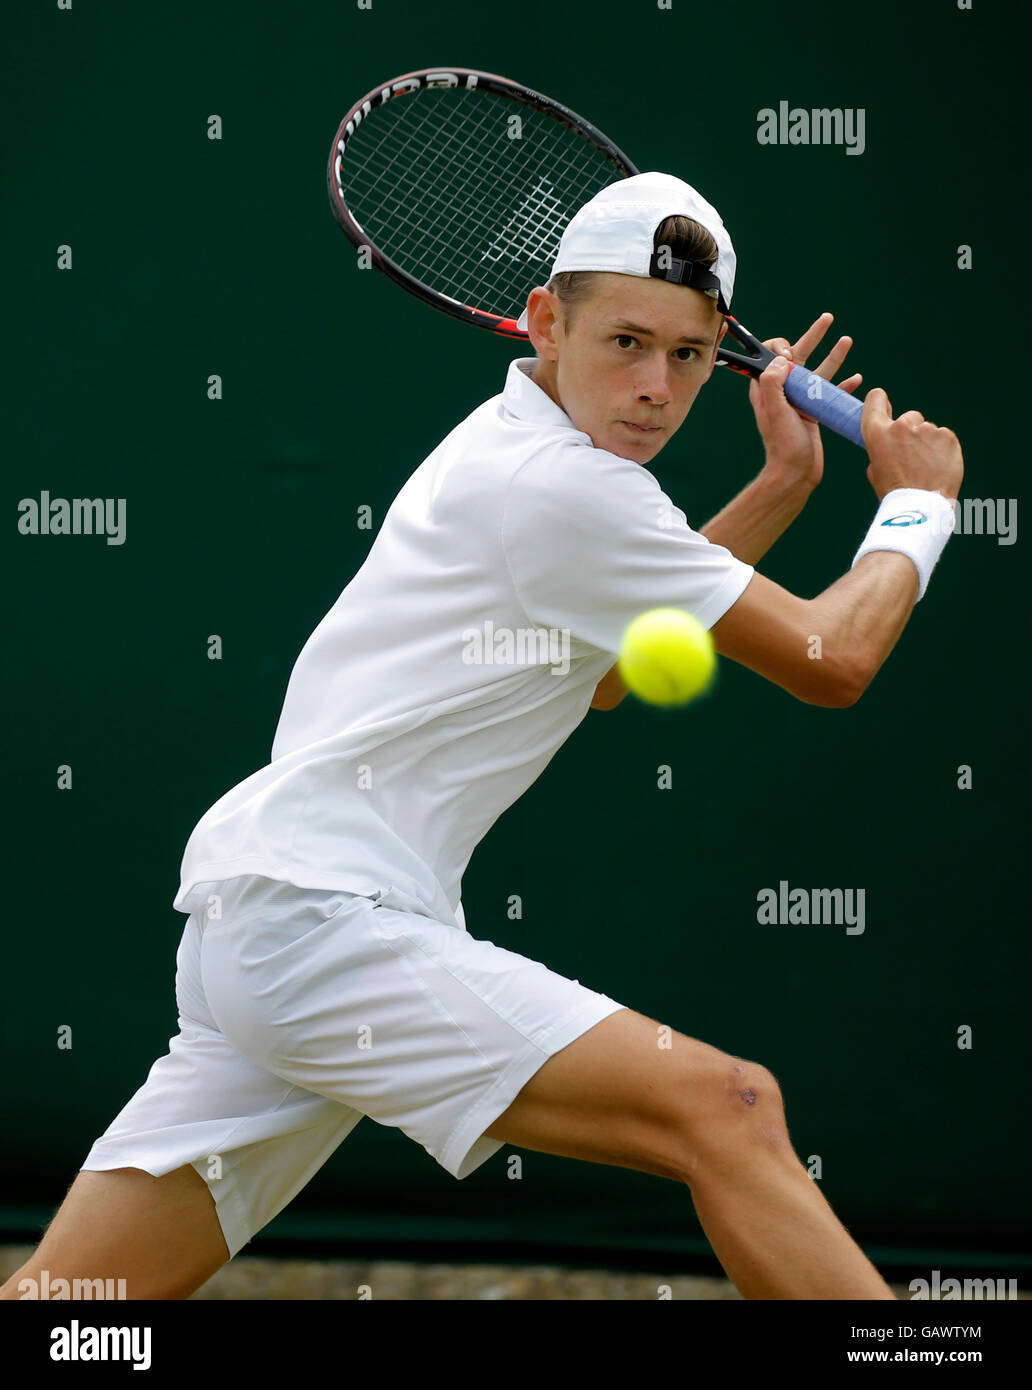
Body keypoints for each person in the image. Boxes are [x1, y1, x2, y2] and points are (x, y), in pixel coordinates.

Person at [1, 173, 963, 1302]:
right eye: (626, 342)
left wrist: (784, 483)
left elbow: (612, 675)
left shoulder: (519, 445)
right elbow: (831, 660)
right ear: (545, 322)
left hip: (267, 928)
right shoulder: (562, 487)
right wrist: (920, 505)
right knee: (729, 1108)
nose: (655, 389)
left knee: (73, 1309)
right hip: (322, 928)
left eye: (691, 355)